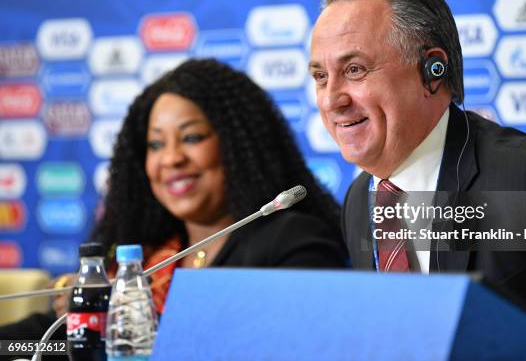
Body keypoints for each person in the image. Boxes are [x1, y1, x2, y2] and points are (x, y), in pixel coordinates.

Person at [308, 0, 526, 351]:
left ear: (432, 71)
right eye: (320, 76)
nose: (332, 99)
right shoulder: (359, 201)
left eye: (354, 70)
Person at [0, 58, 348, 353]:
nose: (171, 159)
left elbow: (282, 347)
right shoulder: (148, 255)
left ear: (238, 146)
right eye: (155, 144)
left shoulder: (293, 242)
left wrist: (120, 327)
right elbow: (51, 339)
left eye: (192, 138)